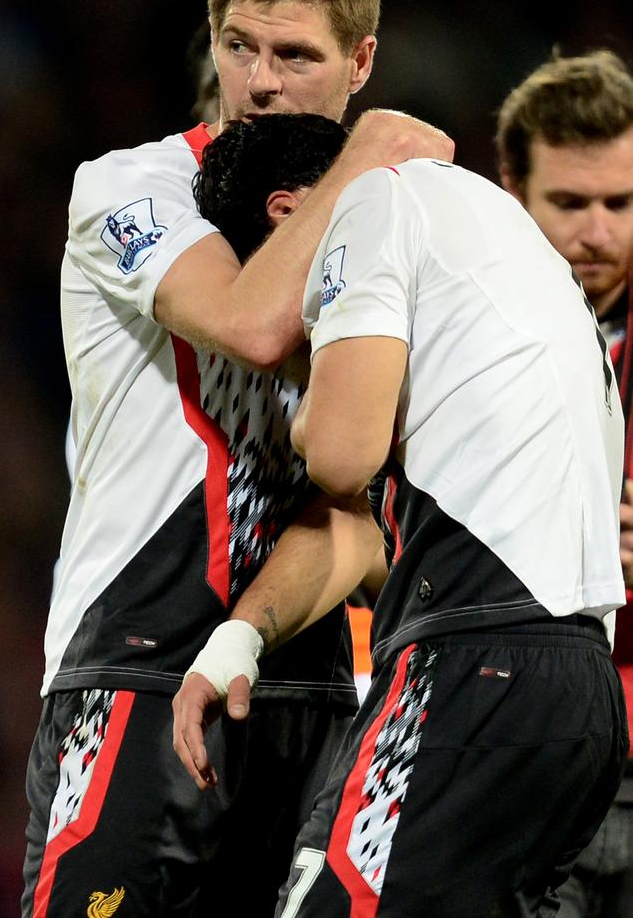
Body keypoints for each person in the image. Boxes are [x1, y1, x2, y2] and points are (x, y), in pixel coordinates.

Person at [21, 0, 454, 914]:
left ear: (360, 61)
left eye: (294, 55)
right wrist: (372, 153)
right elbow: (247, 324)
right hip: (133, 674)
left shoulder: (388, 231)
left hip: (315, 690)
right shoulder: (132, 187)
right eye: (237, 45)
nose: (257, 82)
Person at [173, 113, 628, 916]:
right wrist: (241, 636)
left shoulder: (369, 207)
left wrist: (309, 415)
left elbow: (341, 457)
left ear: (286, 217)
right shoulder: (502, 244)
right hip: (579, 691)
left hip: (473, 665)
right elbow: (368, 521)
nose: (285, 345)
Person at [497, 49, 633, 917]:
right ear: (511, 189)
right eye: (570, 204)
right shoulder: (448, 341)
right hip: (517, 751)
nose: (599, 234)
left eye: (622, 203)